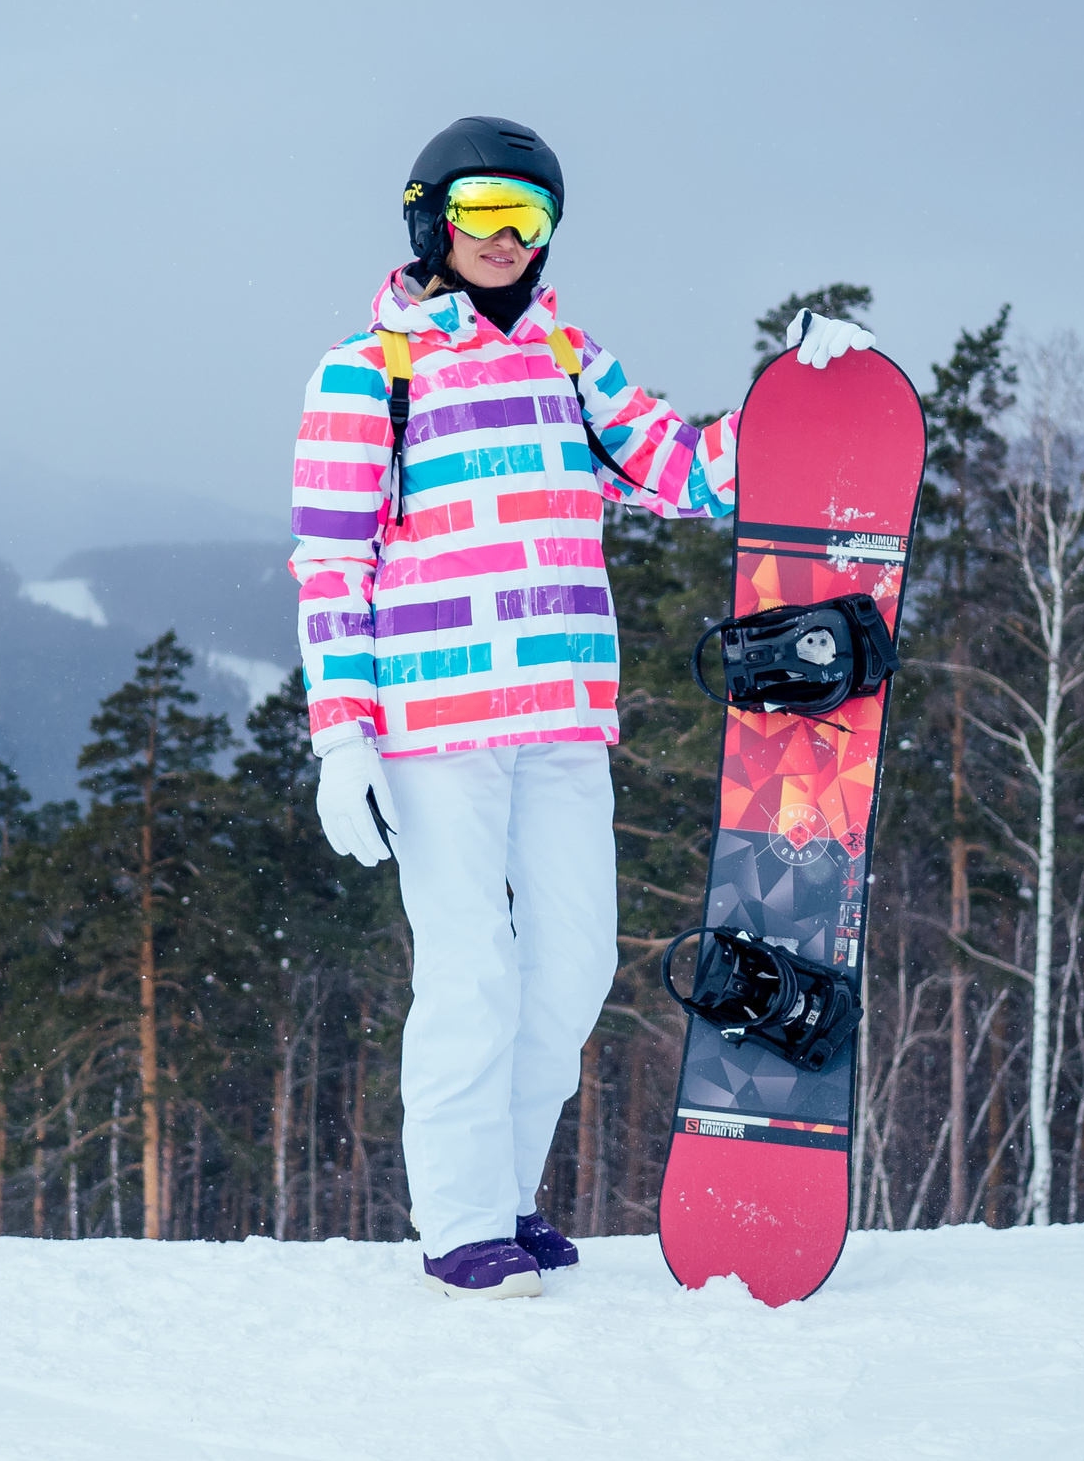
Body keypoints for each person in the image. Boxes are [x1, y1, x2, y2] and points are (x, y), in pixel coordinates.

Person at [287, 116, 872, 1298]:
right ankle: (459, 1222)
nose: (505, 239)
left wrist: (796, 397)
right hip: (432, 722)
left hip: (562, 717)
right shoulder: (368, 371)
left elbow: (684, 472)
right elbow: (329, 565)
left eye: (529, 216)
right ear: (429, 219)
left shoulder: (569, 358)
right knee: (470, 973)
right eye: (482, 213)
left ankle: (506, 1192)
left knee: (571, 970)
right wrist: (340, 738)